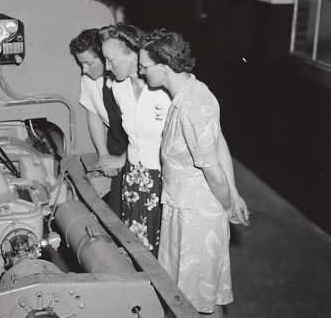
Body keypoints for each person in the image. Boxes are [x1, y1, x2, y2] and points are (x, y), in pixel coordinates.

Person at [139, 29, 249, 317]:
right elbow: (219, 140)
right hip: (181, 206)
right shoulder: (189, 93)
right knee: (189, 293)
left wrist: (228, 203)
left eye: (144, 66)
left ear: (163, 68)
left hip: (197, 214)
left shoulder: (193, 104)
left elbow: (213, 172)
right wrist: (235, 194)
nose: (141, 72)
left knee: (202, 300)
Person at [98, 22, 172, 256]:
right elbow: (134, 134)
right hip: (134, 178)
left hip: (164, 178)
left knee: (162, 246)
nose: (107, 67)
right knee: (136, 245)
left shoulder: (163, 89)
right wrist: (123, 159)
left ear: (132, 57)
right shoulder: (119, 89)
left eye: (111, 60)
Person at [69, 29, 128, 217]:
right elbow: (93, 115)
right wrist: (104, 156)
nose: (84, 70)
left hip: (139, 148)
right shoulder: (89, 80)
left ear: (105, 59)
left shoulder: (126, 82)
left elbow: (143, 131)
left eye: (88, 63)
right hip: (117, 144)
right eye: (81, 64)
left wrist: (123, 160)